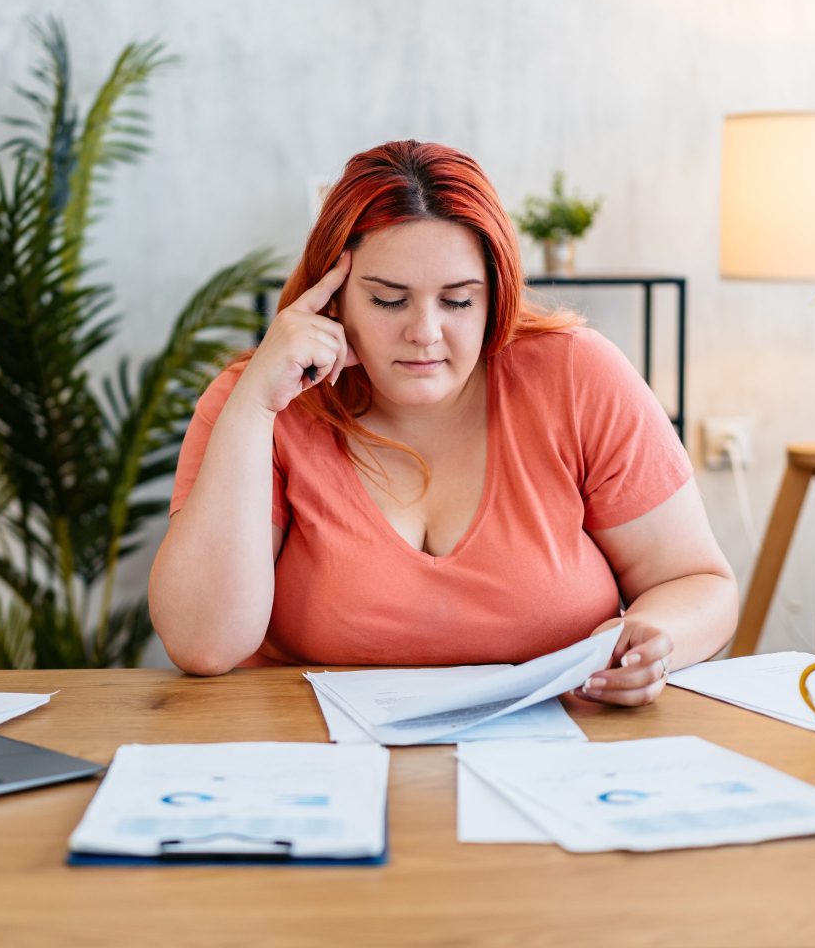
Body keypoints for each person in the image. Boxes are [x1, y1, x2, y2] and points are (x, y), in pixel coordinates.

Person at [149, 140, 737, 706]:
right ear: (333, 295)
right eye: (388, 300)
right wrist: (254, 408)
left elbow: (701, 583)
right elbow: (204, 644)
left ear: (495, 296)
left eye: (458, 301)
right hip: (314, 760)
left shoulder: (576, 375)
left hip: (552, 753)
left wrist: (653, 639)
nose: (425, 333)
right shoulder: (257, 400)